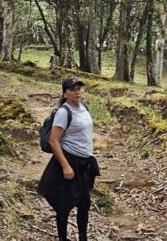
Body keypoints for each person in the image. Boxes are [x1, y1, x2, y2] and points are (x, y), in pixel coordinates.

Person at [38, 76, 101, 241]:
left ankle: (83, 237)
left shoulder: (84, 108)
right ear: (65, 93)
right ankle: (62, 238)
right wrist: (65, 166)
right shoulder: (64, 112)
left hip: (84, 163)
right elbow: (53, 141)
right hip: (69, 161)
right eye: (73, 89)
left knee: (84, 203)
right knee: (64, 205)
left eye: (79, 89)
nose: (77, 92)